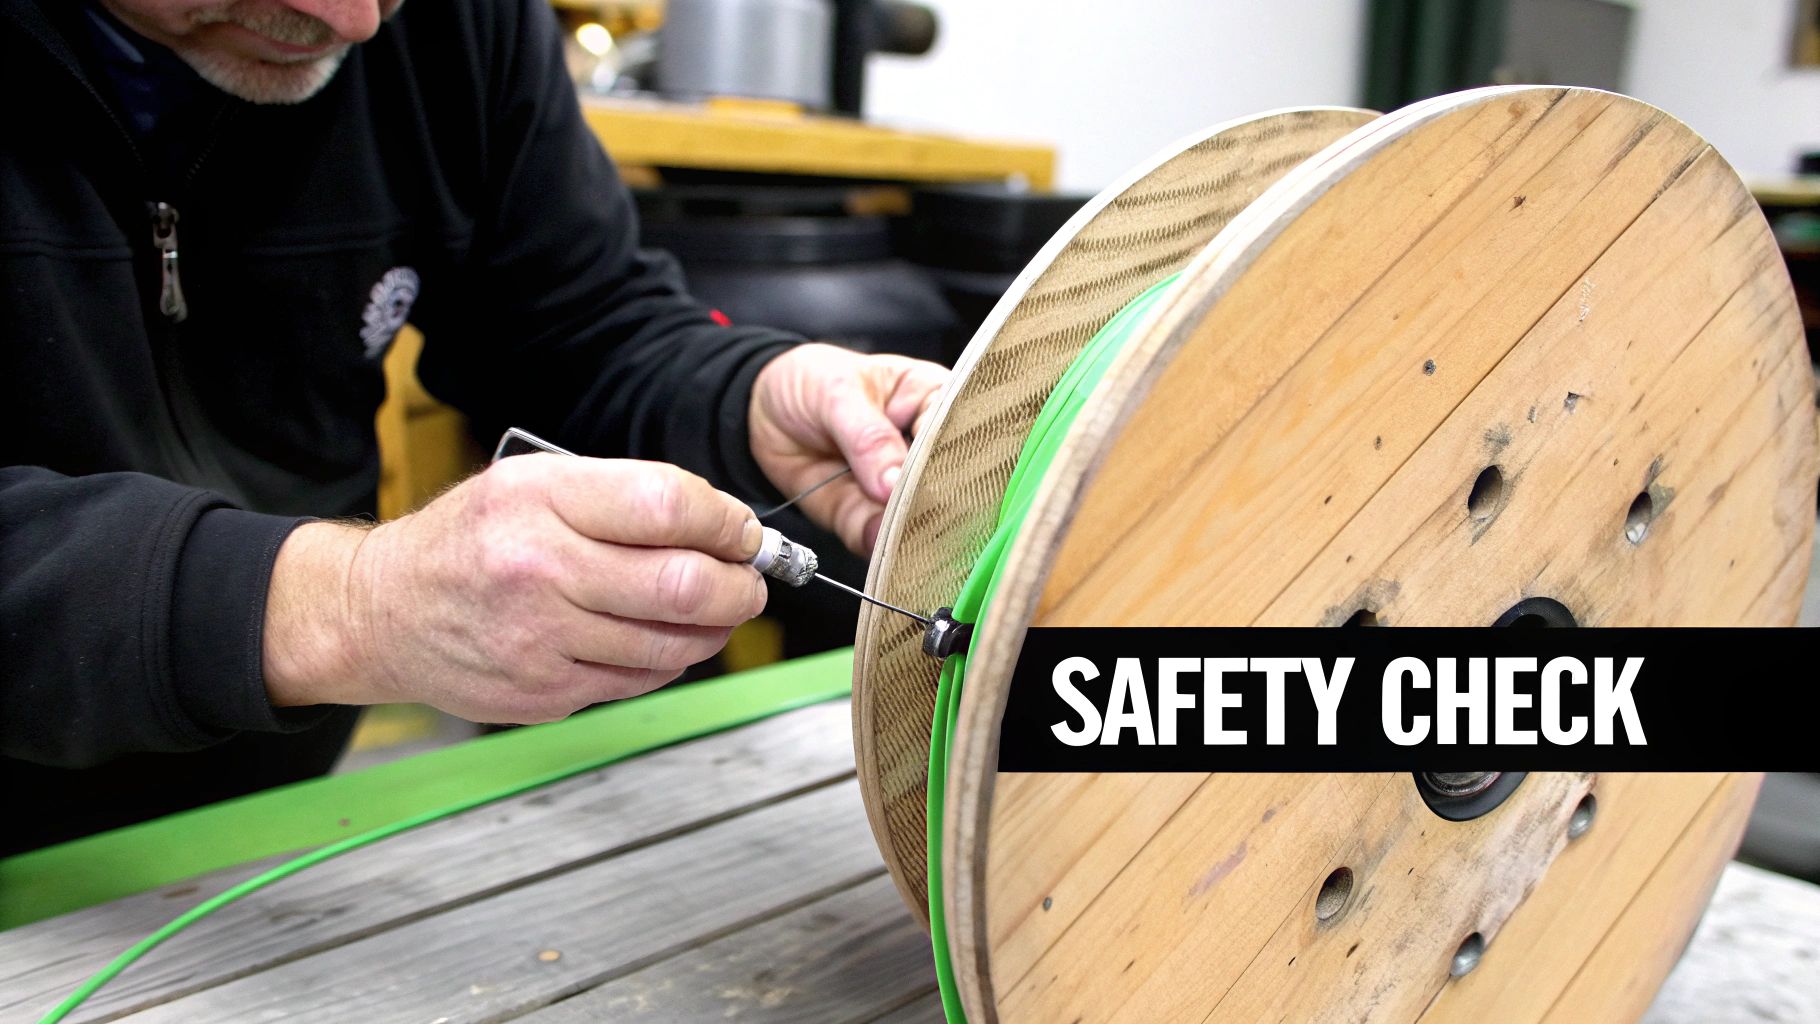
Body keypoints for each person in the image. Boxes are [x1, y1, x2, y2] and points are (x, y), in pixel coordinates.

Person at [0, 0, 949, 854]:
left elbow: (572, 323)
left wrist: (745, 391)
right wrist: (346, 603)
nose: (356, 20)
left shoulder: (454, 21)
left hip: (268, 829)